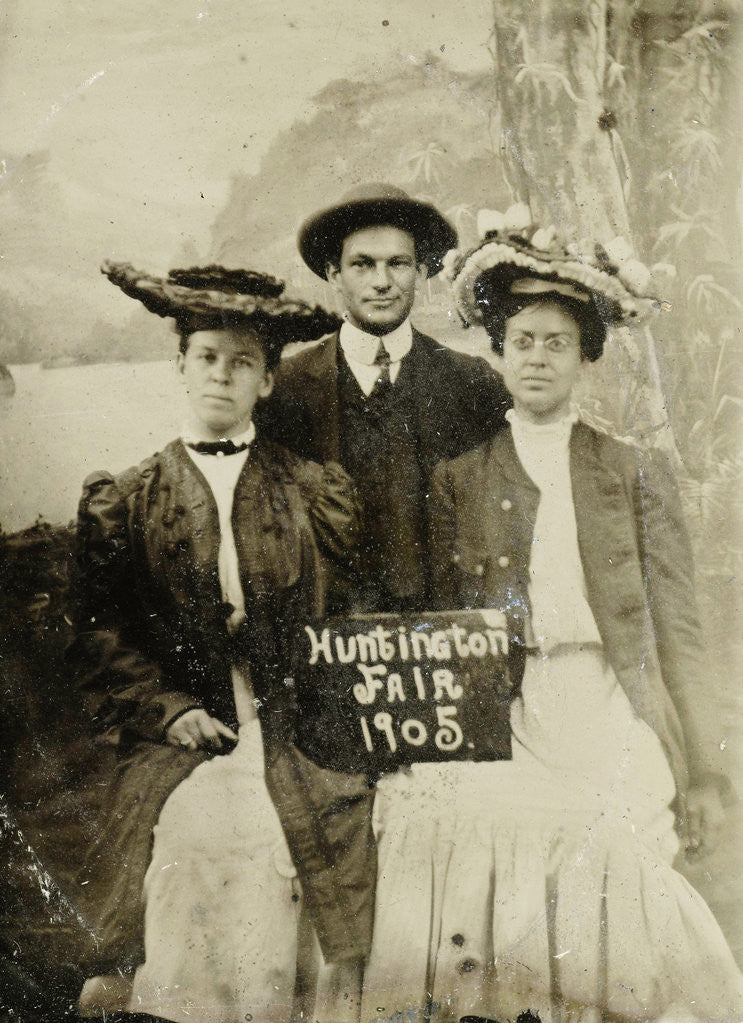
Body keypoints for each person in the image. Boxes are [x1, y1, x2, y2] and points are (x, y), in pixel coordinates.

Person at [361, 209, 743, 1022]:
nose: (538, 358)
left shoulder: (630, 471)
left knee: (618, 840)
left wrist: (707, 768)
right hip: (510, 706)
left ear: (584, 358)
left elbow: (679, 626)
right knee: (489, 859)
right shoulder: (461, 477)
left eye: (557, 343)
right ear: (497, 353)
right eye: (523, 341)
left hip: (612, 699)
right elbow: (433, 624)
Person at [70, 263, 367, 1023]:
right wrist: (168, 710)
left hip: (293, 724)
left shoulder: (309, 490)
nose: (221, 376)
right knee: (199, 835)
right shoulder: (130, 497)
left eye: (242, 363)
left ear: (267, 382)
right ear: (180, 365)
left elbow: (345, 620)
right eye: (207, 357)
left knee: (294, 831)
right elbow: (102, 637)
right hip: (185, 732)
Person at [257, 182, 511, 613]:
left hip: (446, 632)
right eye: (362, 264)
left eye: (398, 263)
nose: (382, 282)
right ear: (334, 274)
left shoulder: (472, 384)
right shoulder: (285, 390)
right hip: (331, 640)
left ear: (421, 271)